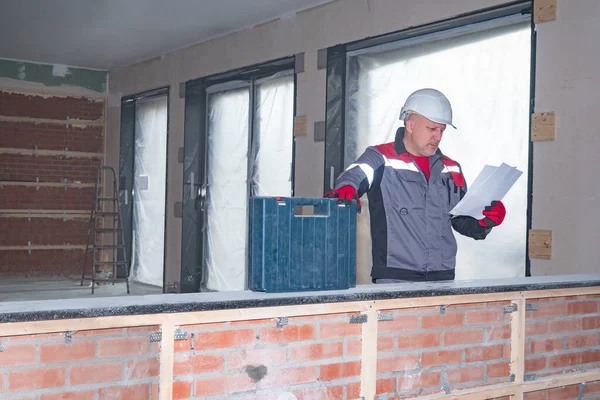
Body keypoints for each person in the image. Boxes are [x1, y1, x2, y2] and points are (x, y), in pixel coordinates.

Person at [324, 88, 506, 283]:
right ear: (410, 125)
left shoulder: (451, 168)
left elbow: (461, 221)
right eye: (432, 129)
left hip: (442, 278)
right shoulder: (381, 158)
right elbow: (356, 174)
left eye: (442, 130)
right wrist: (347, 187)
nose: (438, 137)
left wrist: (485, 220)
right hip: (395, 279)